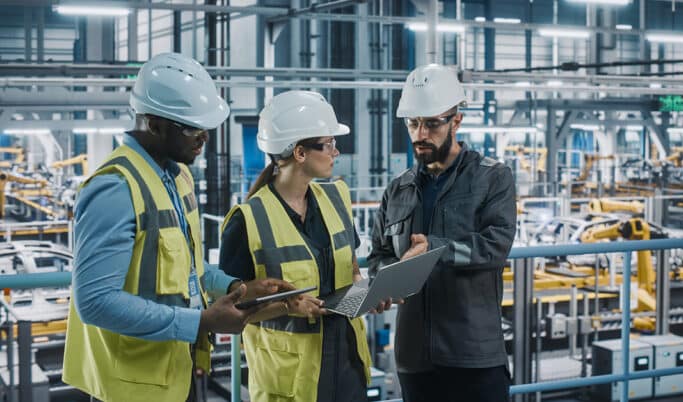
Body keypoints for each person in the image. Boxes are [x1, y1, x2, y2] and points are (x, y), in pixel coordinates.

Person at [62, 52, 296, 402]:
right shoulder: (115, 187)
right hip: (131, 387)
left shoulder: (179, 176)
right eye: (192, 127)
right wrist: (202, 322)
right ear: (153, 124)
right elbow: (95, 302)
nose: (204, 138)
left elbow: (187, 270)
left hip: (177, 372)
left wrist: (240, 288)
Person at [219, 90, 383, 402]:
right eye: (328, 143)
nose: (336, 152)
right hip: (291, 383)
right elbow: (227, 313)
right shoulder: (247, 221)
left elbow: (352, 270)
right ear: (300, 153)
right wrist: (286, 307)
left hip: (347, 368)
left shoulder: (336, 198)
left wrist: (368, 295)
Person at [368, 64, 517, 402]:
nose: (421, 134)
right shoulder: (398, 189)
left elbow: (495, 247)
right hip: (414, 357)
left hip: (473, 355)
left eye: (432, 123)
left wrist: (434, 250)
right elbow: (379, 254)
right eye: (413, 123)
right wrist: (385, 281)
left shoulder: (492, 178)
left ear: (456, 121)